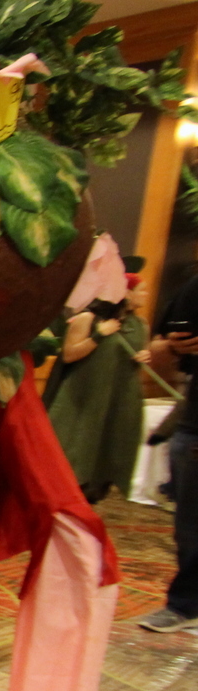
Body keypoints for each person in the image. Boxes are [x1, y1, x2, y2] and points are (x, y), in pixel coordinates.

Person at [44, 289, 148, 503]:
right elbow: (69, 354)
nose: (145, 294)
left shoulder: (140, 325)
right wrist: (98, 335)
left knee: (104, 456)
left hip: (115, 399)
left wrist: (143, 356)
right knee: (71, 453)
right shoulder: (88, 318)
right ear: (126, 292)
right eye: (141, 290)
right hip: (82, 398)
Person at [140, 269, 198, 631]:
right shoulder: (194, 287)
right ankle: (186, 605)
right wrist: (173, 347)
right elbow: (158, 350)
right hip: (194, 425)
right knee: (190, 526)